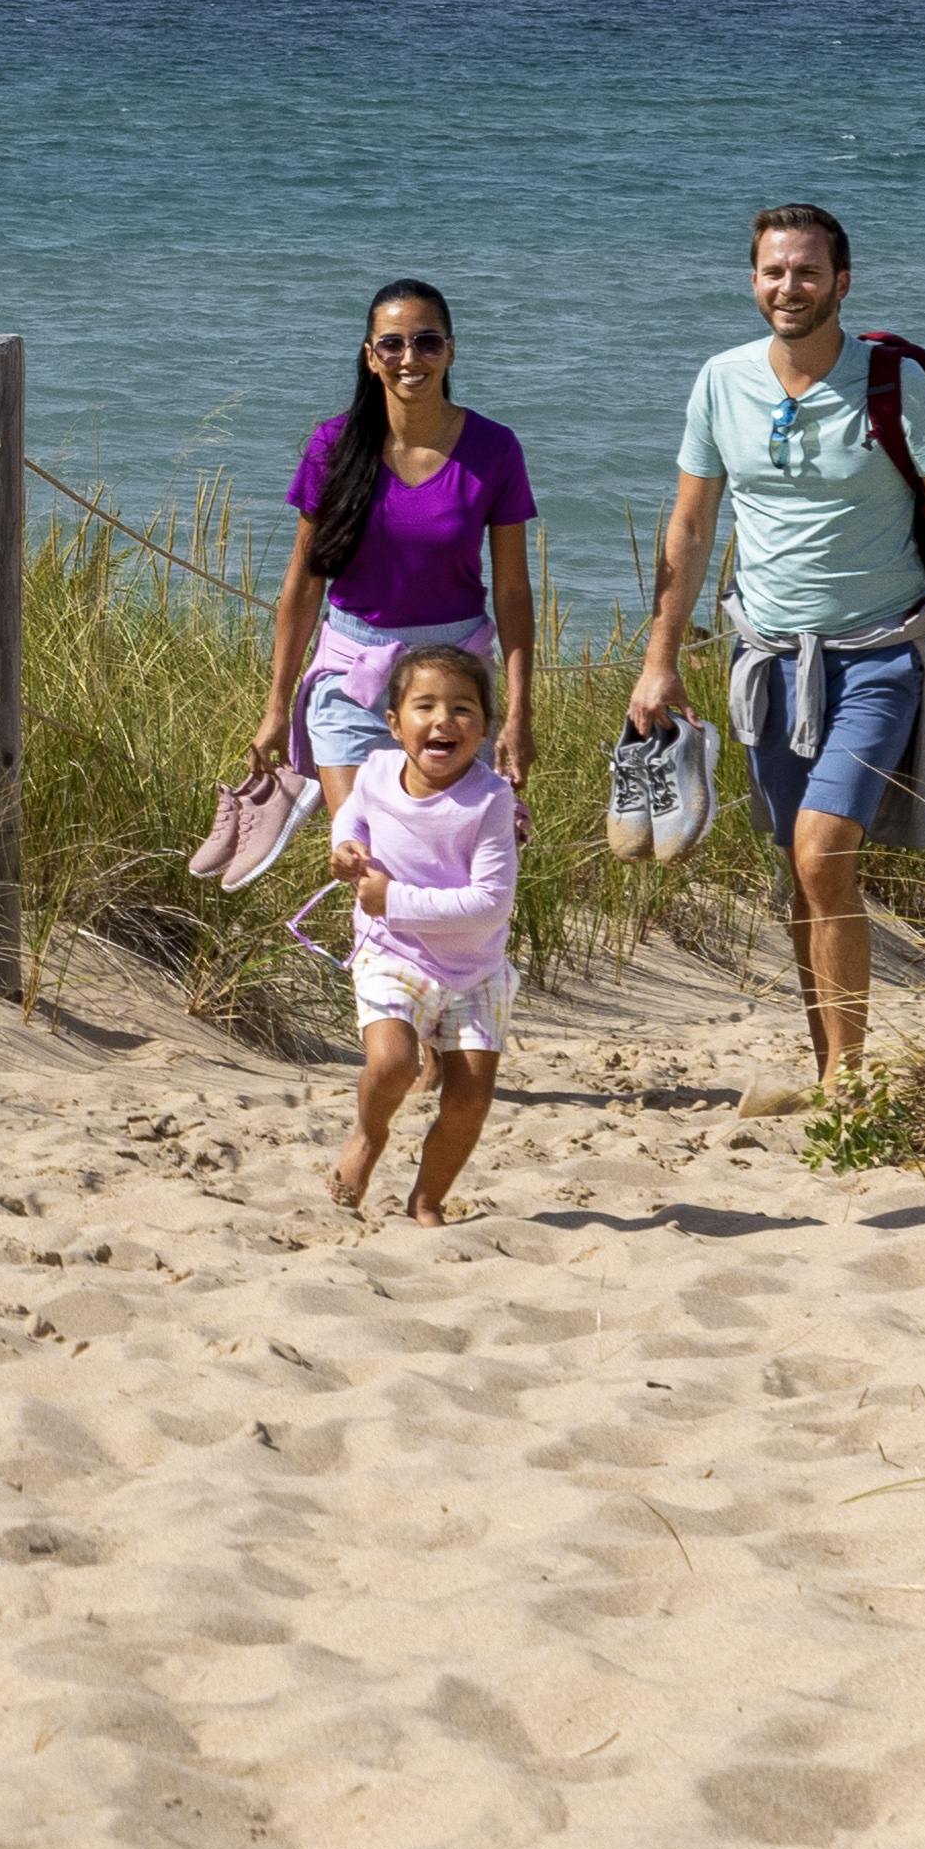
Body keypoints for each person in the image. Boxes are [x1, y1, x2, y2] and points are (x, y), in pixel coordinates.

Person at [623, 201, 925, 1108]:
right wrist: (660, 657)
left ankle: (849, 1071)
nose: (787, 287)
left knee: (824, 849)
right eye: (772, 271)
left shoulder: (892, 386)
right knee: (800, 865)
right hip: (765, 663)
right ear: (751, 280)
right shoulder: (720, 382)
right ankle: (827, 1061)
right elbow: (690, 522)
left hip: (875, 655)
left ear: (842, 280)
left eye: (805, 271)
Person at [241, 277, 537, 824]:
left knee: (445, 862)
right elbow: (304, 583)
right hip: (352, 677)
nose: (410, 358)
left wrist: (518, 711)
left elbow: (514, 591)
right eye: (392, 344)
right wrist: (276, 708)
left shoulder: (495, 449)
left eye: (427, 342)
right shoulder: (333, 445)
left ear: (450, 351)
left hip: (454, 684)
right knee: (366, 858)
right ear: (371, 357)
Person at [326, 640, 522, 1222]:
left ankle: (427, 1197)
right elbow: (353, 812)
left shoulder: (490, 800)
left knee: (469, 1103)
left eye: (463, 709)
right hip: (392, 952)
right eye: (425, 706)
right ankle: (368, 1135)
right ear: (394, 723)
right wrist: (344, 846)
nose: (444, 720)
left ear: (485, 727)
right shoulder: (378, 770)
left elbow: (490, 905)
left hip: (475, 969)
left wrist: (394, 899)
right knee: (391, 1064)